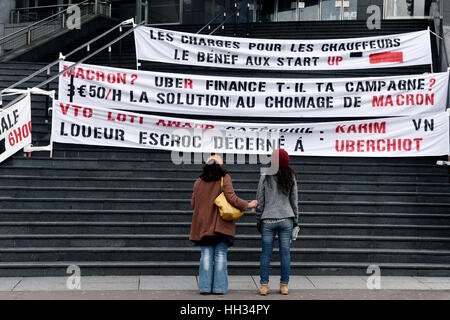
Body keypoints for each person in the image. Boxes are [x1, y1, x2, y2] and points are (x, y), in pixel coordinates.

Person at [190, 154, 258, 295]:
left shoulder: (198, 182)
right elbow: (231, 198)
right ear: (220, 166)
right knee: (220, 254)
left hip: (203, 225)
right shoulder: (224, 178)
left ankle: (204, 287)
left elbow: (193, 203)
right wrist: (248, 204)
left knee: (206, 255)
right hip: (220, 225)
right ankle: (219, 288)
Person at [254, 148, 299, 295]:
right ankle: (284, 286)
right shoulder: (291, 176)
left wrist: (258, 217)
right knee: (285, 254)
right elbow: (294, 200)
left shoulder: (265, 175)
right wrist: (296, 220)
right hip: (286, 219)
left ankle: (264, 286)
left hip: (268, 219)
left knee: (266, 254)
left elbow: (260, 200)